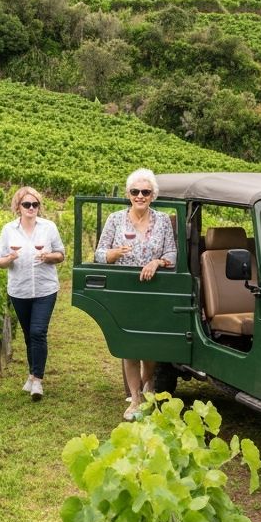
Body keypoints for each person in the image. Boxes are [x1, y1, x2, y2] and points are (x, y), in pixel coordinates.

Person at [94, 168, 177, 420]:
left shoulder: (163, 220)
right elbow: (99, 254)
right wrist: (113, 254)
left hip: (153, 290)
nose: (140, 196)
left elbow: (172, 254)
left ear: (153, 195)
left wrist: (157, 262)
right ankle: (135, 397)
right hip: (125, 290)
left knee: (148, 344)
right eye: (135, 191)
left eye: (145, 192)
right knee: (128, 345)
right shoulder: (115, 219)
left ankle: (148, 383)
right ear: (128, 194)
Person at [0, 186, 65, 401]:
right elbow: (0, 261)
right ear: (18, 207)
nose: (31, 208)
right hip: (19, 290)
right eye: (27, 204)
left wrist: (48, 256)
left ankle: (37, 381)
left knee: (38, 332)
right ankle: (32, 374)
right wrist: (10, 258)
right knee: (28, 334)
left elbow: (61, 255)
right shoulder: (9, 230)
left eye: (35, 204)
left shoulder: (49, 227)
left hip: (45, 288)